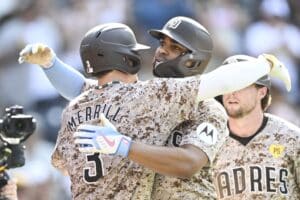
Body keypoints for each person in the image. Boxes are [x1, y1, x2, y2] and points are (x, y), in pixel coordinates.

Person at [19, 19, 290, 199]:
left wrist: (126, 146)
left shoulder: (207, 109)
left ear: (193, 60)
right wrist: (51, 64)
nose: (161, 52)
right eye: (161, 43)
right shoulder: (145, 94)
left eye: (173, 47)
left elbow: (189, 163)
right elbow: (89, 92)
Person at [212, 55, 300, 199]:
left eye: (240, 85)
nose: (232, 93)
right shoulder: (208, 142)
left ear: (262, 92)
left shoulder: (292, 139)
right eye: (227, 85)